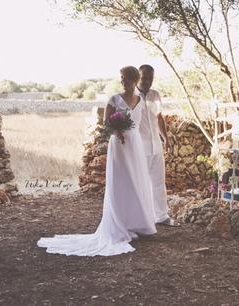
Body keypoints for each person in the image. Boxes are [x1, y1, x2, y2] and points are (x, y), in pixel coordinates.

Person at [37, 66, 156, 256]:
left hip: (135, 146)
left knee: (136, 183)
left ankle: (137, 223)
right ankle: (118, 225)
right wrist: (117, 128)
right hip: (119, 144)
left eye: (125, 78)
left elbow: (139, 124)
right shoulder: (113, 100)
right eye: (121, 78)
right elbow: (105, 125)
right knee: (119, 184)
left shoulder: (140, 101)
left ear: (134, 80)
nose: (122, 81)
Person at [136, 64, 179, 226]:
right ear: (138, 77)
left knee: (159, 181)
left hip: (156, 144)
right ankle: (142, 218)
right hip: (139, 146)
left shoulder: (156, 95)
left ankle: (161, 216)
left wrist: (166, 138)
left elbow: (159, 118)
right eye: (144, 78)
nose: (147, 81)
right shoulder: (131, 96)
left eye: (150, 78)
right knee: (141, 183)